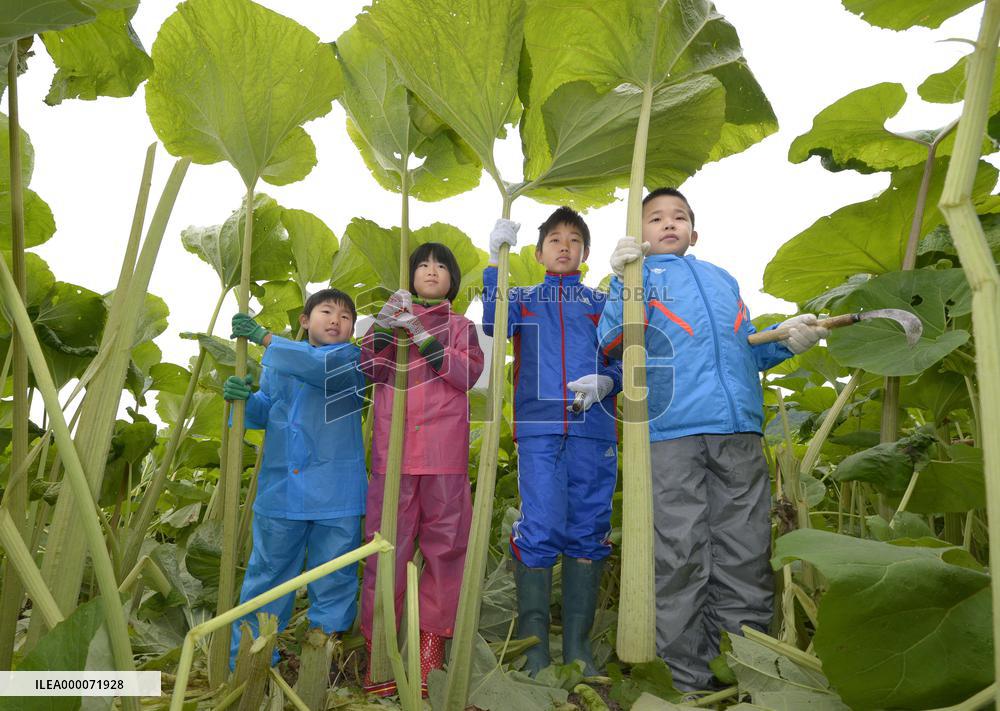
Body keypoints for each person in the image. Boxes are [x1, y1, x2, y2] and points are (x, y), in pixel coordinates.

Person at [598, 187, 829, 690]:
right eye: (655, 217)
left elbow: (746, 351)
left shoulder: (723, 280)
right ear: (638, 235)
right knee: (679, 554)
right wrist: (621, 281)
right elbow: (615, 342)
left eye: (679, 217)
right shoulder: (635, 276)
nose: (668, 224)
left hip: (739, 430)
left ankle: (742, 668)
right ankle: (686, 679)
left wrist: (787, 340)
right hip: (671, 432)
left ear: (693, 232)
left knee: (744, 551)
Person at [482, 207, 622, 676]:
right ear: (539, 251)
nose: (565, 246)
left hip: (595, 426)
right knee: (539, 527)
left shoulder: (601, 303)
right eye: (556, 239)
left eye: (575, 240)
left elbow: (629, 355)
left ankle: (578, 648)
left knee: (589, 528)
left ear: (585, 252)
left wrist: (609, 381)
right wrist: (494, 263)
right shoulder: (522, 298)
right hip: (539, 426)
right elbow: (493, 323)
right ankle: (534, 648)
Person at [359, 242, 485, 696]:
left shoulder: (461, 327)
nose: (431, 271)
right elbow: (368, 369)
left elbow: (466, 375)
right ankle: (380, 655)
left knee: (446, 552)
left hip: (444, 454)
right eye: (422, 265)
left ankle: (430, 652)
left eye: (440, 266)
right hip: (392, 454)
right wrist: (388, 327)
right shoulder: (388, 324)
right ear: (410, 276)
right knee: (384, 549)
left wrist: (424, 337)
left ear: (453, 278)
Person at [223, 289, 367, 668]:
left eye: (346, 316)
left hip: (335, 492)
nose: (336, 320)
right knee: (266, 577)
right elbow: (267, 411)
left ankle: (321, 666)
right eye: (326, 311)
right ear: (305, 321)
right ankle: (251, 665)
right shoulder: (276, 366)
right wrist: (242, 401)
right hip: (282, 490)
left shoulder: (351, 360)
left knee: (335, 579)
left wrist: (265, 339)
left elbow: (317, 369)